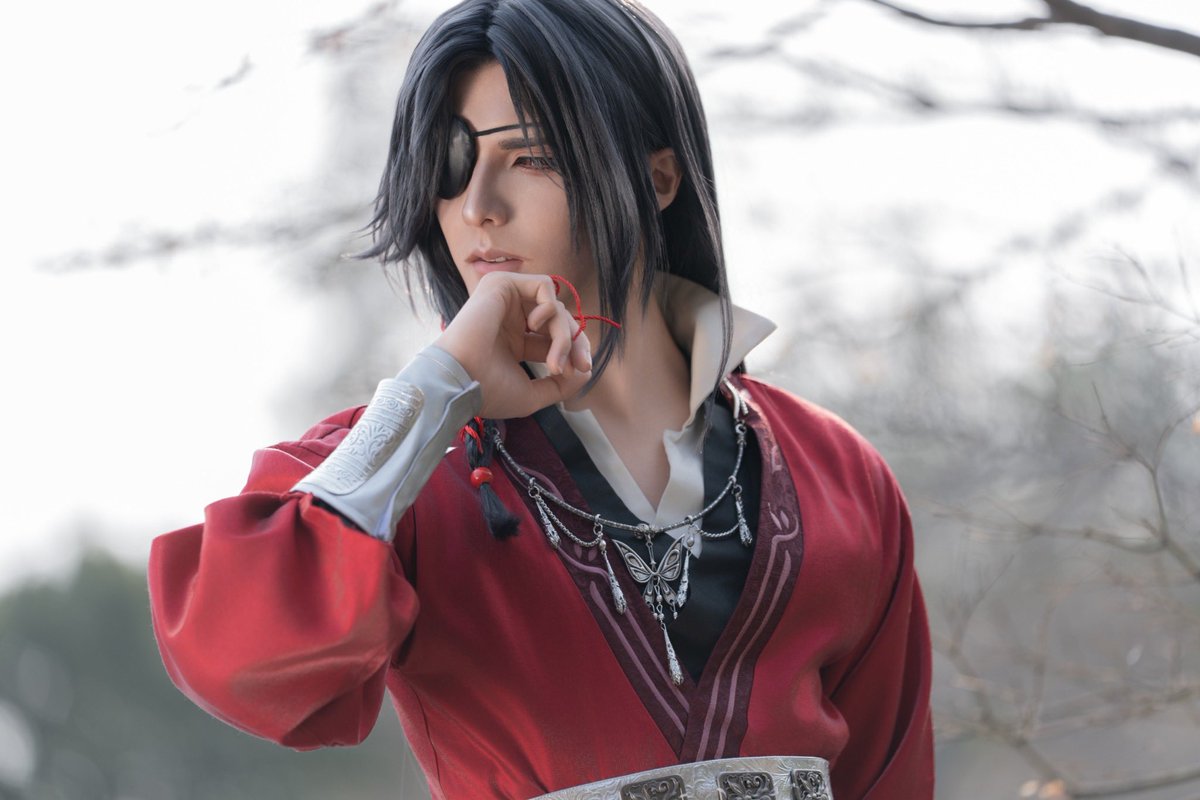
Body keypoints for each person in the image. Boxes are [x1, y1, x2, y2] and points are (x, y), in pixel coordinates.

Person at [146, 0, 935, 797]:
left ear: (657, 177)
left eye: (529, 155)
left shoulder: (837, 476)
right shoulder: (405, 473)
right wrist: (438, 387)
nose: (477, 205)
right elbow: (236, 655)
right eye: (449, 166)